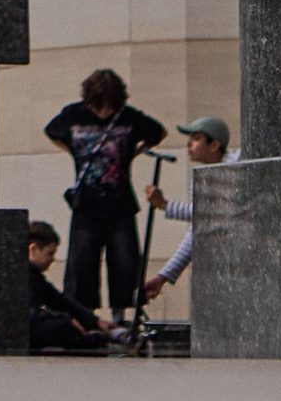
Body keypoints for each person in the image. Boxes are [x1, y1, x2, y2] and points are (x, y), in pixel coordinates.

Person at [43, 64, 167, 319]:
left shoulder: (126, 117)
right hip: (86, 203)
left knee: (124, 262)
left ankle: (121, 316)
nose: (104, 111)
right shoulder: (74, 115)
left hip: (120, 202)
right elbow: (51, 131)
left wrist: (133, 153)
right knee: (82, 263)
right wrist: (75, 154)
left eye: (109, 104)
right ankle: (86, 316)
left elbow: (158, 132)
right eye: (99, 104)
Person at [143, 112, 230, 302]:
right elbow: (198, 228)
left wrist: (165, 205)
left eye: (196, 139)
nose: (189, 144)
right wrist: (162, 278)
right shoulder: (202, 179)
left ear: (214, 145)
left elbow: (215, 214)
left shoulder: (235, 169)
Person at [27, 220, 111, 352]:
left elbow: (59, 301)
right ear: (33, 249)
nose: (52, 259)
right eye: (50, 253)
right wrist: (65, 319)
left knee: (65, 324)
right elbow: (30, 312)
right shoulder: (24, 275)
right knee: (64, 326)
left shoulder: (34, 275)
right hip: (22, 328)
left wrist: (94, 321)